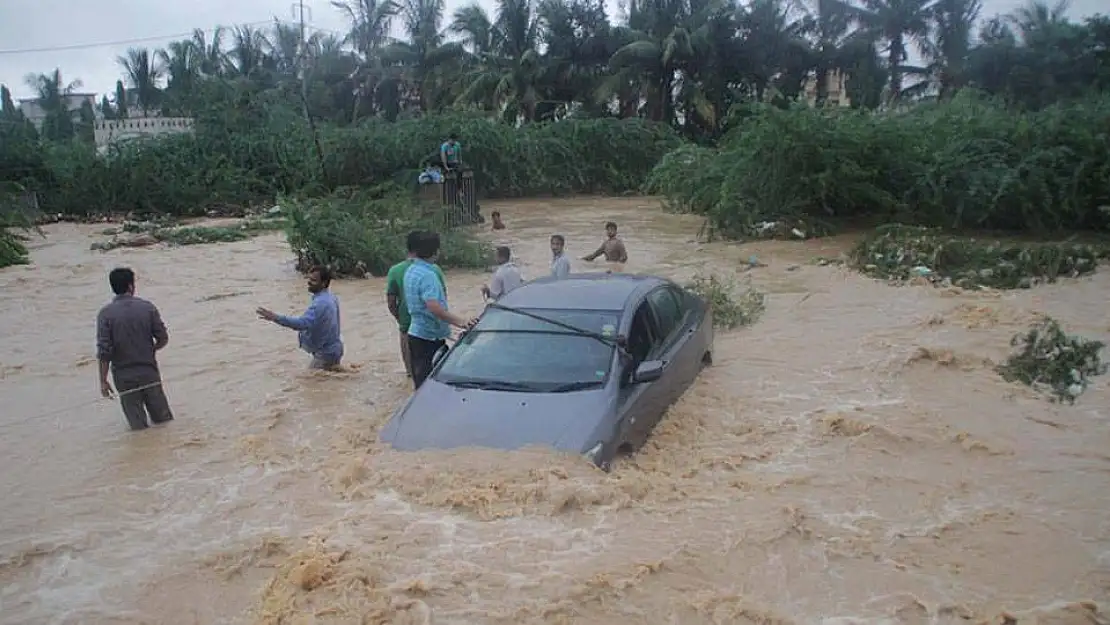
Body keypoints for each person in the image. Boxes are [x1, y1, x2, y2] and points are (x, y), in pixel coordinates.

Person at [96, 267, 174, 431]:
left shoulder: (105, 314)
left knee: (138, 428)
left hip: (123, 376)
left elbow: (104, 351)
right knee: (164, 422)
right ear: (131, 286)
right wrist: (150, 350)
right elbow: (163, 338)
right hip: (148, 371)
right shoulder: (147, 308)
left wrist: (103, 381)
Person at [404, 231, 477, 389]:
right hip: (430, 338)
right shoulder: (428, 275)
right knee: (433, 386)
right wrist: (462, 322)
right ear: (434, 252)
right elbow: (434, 307)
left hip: (415, 333)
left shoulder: (411, 271)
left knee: (420, 383)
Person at [257, 265, 344, 370]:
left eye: (313, 280)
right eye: (309, 279)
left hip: (325, 353)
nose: (309, 282)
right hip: (333, 349)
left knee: (309, 383)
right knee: (330, 378)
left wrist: (275, 317)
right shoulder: (330, 297)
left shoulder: (320, 303)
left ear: (324, 283)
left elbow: (301, 324)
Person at [386, 232, 448, 378]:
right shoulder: (434, 270)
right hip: (432, 328)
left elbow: (390, 302)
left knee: (413, 374)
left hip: (409, 327)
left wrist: (400, 318)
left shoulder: (395, 271)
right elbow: (442, 298)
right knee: (435, 374)